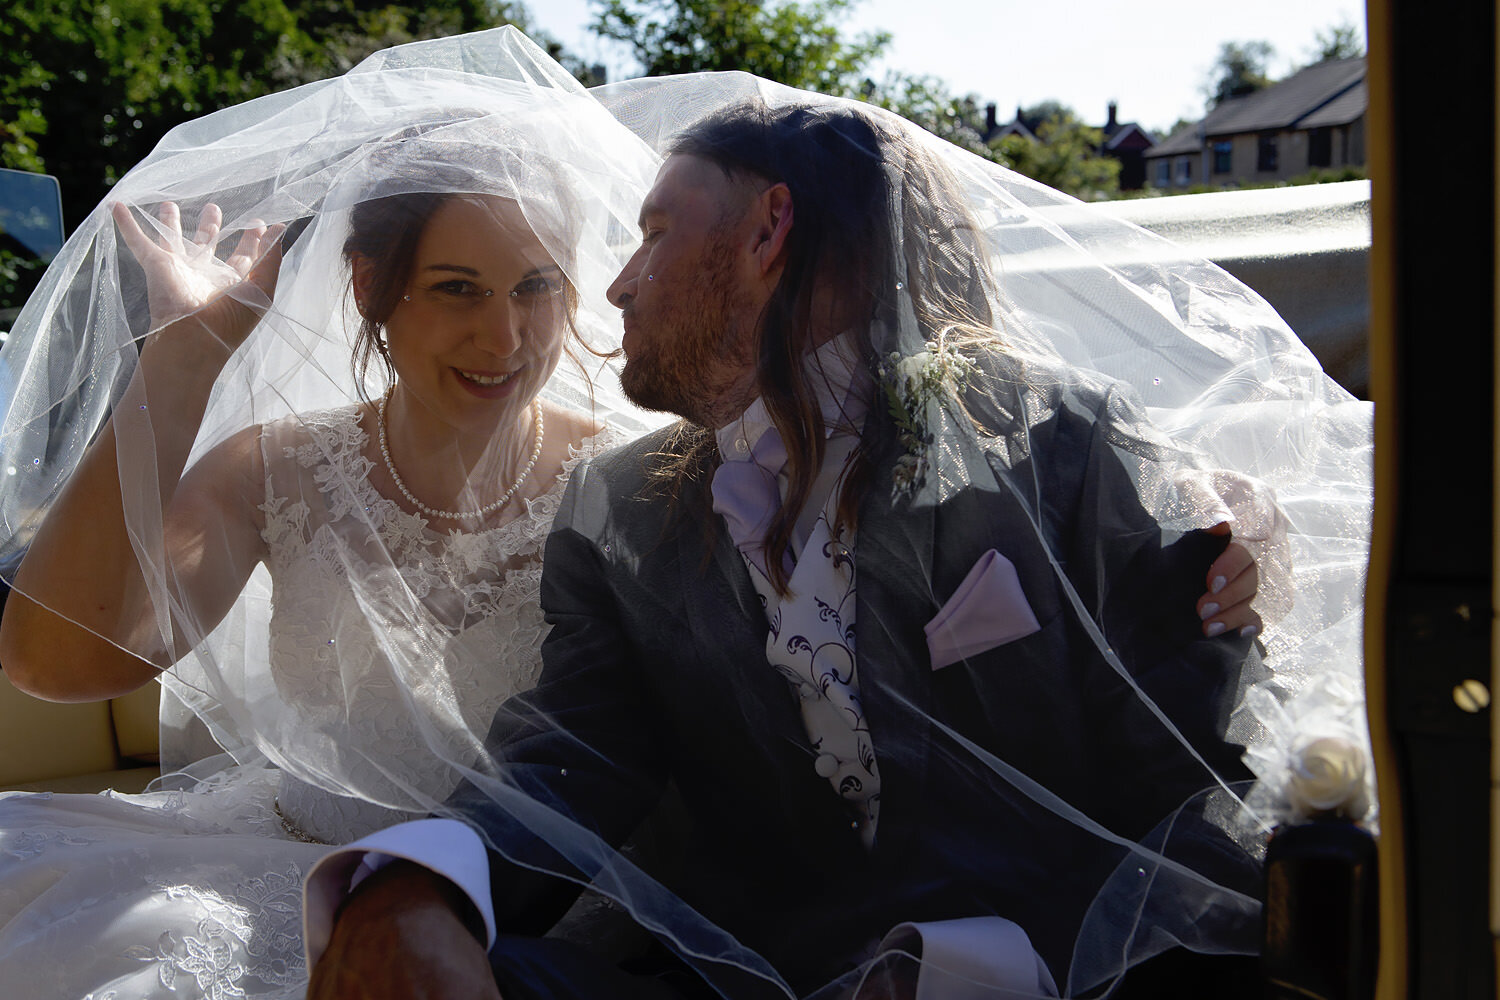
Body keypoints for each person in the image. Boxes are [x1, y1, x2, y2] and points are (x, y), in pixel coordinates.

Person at [304, 69, 1373, 1000]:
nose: (620, 284)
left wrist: (976, 972)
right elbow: (564, 759)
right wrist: (418, 889)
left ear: (770, 231)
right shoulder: (617, 514)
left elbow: (1209, 797)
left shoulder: (1065, 448)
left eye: (658, 231)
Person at [0, 29, 665, 999]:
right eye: (456, 289)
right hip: (288, 867)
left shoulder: (628, 481)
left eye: (536, 286)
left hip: (529, 913)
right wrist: (185, 356)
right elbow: (56, 662)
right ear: (370, 288)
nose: (506, 335)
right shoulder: (278, 469)